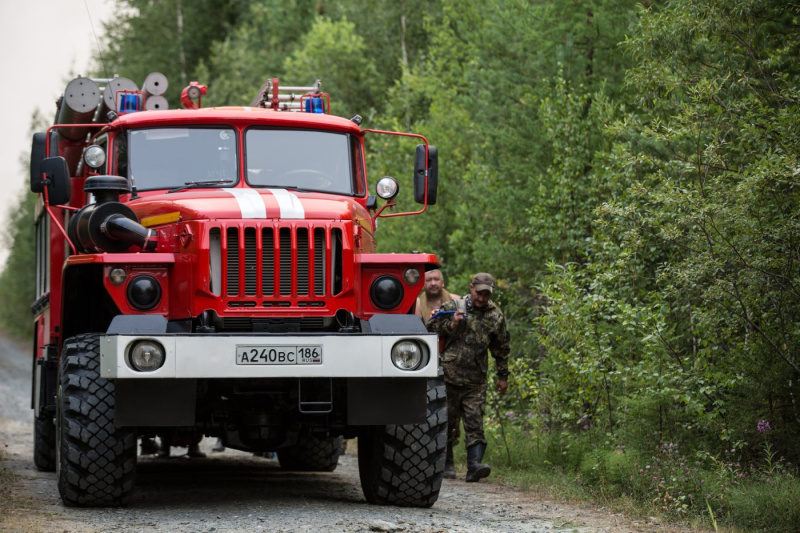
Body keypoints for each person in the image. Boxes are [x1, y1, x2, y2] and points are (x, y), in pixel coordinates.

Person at [426, 272, 510, 482]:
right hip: (449, 376)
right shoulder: (453, 307)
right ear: (471, 287)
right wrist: (451, 324)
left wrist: (503, 376)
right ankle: (447, 465)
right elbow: (430, 328)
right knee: (448, 423)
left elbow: (501, 348)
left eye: (486, 295)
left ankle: (474, 466)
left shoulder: (495, 316)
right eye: (479, 293)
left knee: (475, 423)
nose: (481, 298)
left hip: (476, 380)